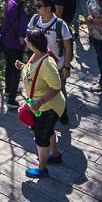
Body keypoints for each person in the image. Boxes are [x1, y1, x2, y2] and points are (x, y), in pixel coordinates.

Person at [15, 27, 66, 178]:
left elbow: (56, 87)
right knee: (48, 131)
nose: (25, 41)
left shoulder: (47, 63)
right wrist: (23, 67)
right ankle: (55, 155)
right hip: (40, 105)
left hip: (47, 107)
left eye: (27, 40)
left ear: (32, 44)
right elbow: (36, 73)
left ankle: (42, 169)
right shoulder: (36, 55)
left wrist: (40, 101)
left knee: (41, 138)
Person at [27, 0, 74, 124]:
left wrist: (67, 66)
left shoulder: (60, 25)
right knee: (42, 90)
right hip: (40, 65)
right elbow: (29, 37)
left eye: (39, 6)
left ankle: (63, 113)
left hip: (57, 66)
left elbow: (68, 47)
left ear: (48, 8)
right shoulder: (35, 20)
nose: (36, 9)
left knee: (59, 90)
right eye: (36, 6)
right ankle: (44, 113)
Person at [0, 0, 30, 106]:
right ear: (27, 1)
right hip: (16, 46)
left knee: (8, 66)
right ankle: (12, 99)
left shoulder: (10, 3)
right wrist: (26, 47)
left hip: (5, 42)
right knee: (16, 71)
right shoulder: (22, 15)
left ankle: (7, 90)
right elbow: (22, 37)